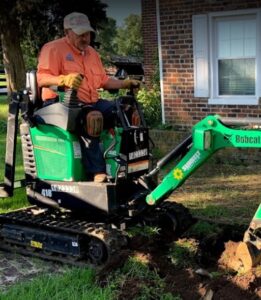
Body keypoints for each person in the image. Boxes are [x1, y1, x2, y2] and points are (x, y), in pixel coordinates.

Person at [37, 12, 139, 183]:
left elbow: (103, 81)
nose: (85, 38)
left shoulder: (91, 52)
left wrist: (125, 83)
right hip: (61, 104)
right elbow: (42, 78)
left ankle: (128, 164)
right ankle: (97, 172)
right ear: (67, 32)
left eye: (88, 34)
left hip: (91, 102)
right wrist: (63, 79)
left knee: (126, 111)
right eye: (80, 34)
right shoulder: (52, 49)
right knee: (92, 118)